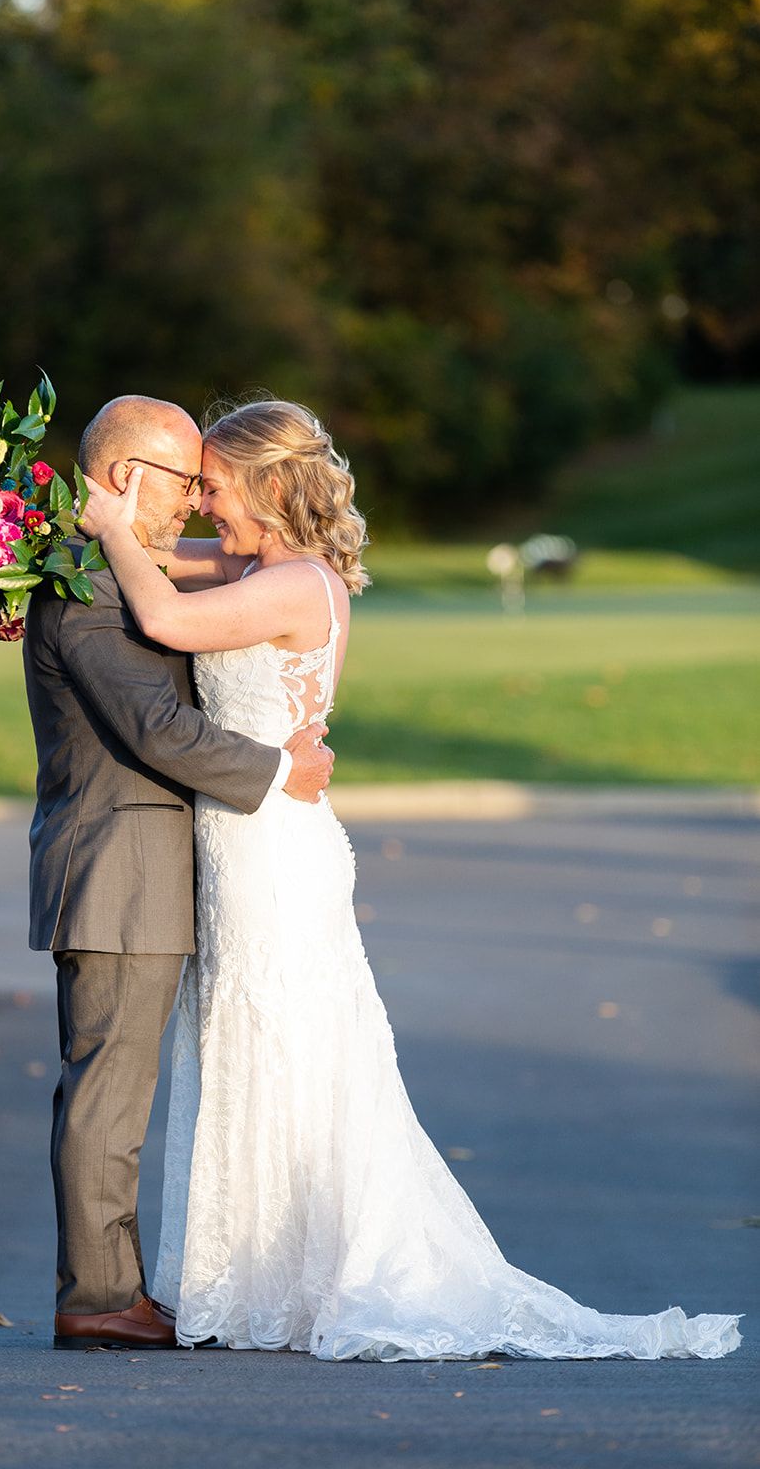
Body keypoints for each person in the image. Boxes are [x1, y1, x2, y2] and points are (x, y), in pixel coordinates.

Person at [78, 396, 741, 1362]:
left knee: (287, 1042)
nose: (202, 507)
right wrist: (67, 523)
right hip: (238, 842)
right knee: (245, 1043)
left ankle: (310, 1274)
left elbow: (160, 613)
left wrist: (109, 525)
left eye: (213, 488)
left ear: (264, 486)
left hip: (273, 853)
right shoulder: (254, 567)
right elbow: (152, 556)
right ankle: (258, 1275)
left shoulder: (295, 584)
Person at [22, 394, 334, 1352]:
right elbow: (156, 729)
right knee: (108, 1094)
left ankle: (120, 1288)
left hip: (152, 870)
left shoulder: (114, 567)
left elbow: (197, 593)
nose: (196, 502)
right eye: (183, 481)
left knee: (119, 1090)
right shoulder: (86, 589)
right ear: (126, 478)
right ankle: (99, 1297)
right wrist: (279, 771)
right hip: (118, 872)